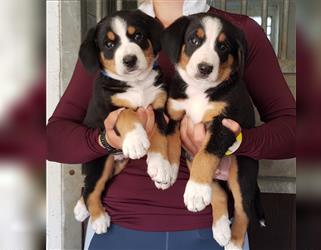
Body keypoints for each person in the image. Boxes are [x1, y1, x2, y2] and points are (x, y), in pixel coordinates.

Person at [47, 0, 296, 249]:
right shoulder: (109, 36)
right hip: (117, 226)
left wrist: (236, 143)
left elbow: (293, 131)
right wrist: (106, 140)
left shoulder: (238, 31)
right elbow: (53, 139)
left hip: (212, 228)